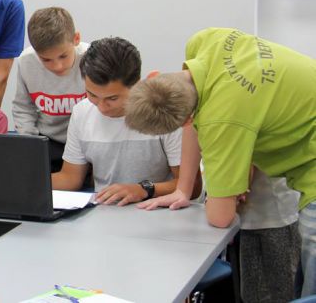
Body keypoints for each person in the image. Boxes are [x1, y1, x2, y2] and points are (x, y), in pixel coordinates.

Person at [126, 27, 315, 297]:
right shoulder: (205, 41)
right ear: (154, 76)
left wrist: (222, 190)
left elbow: (221, 216)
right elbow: (195, 109)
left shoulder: (222, 120)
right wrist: (183, 188)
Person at [52, 37, 200, 205]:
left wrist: (143, 189)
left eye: (112, 98)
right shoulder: (82, 112)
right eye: (92, 95)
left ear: (136, 84)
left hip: (155, 209)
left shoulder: (163, 111)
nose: (102, 107)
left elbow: (193, 187)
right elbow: (70, 178)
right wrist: (27, 182)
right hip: (102, 210)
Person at [12, 7, 88, 172]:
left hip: (86, 141)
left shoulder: (91, 58)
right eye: (46, 60)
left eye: (63, 56)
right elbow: (23, 107)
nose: (57, 66)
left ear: (76, 39)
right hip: (48, 141)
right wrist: (29, 144)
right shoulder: (26, 61)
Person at [237, 168, 301, 303]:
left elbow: (245, 167)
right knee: (251, 295)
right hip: (248, 216)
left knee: (282, 294)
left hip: (278, 214)